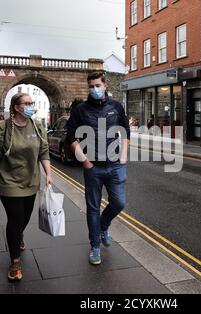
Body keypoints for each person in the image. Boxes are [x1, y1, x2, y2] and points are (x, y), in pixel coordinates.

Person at [0, 93, 53, 281]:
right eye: (28, 103)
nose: (32, 106)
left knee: (25, 216)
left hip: (31, 180)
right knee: (15, 219)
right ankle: (15, 261)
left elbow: (44, 151)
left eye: (32, 103)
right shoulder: (3, 128)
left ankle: (17, 236)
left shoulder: (37, 126)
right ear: (16, 107)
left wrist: (48, 173)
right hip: (8, 180)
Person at [66, 72, 130, 265]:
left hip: (115, 165)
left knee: (119, 203)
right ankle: (95, 246)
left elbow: (125, 131)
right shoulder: (81, 110)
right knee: (93, 208)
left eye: (97, 85)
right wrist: (85, 161)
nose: (94, 89)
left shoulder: (116, 107)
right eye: (91, 86)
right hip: (93, 167)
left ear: (105, 85)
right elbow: (71, 138)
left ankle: (104, 225)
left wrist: (124, 155)